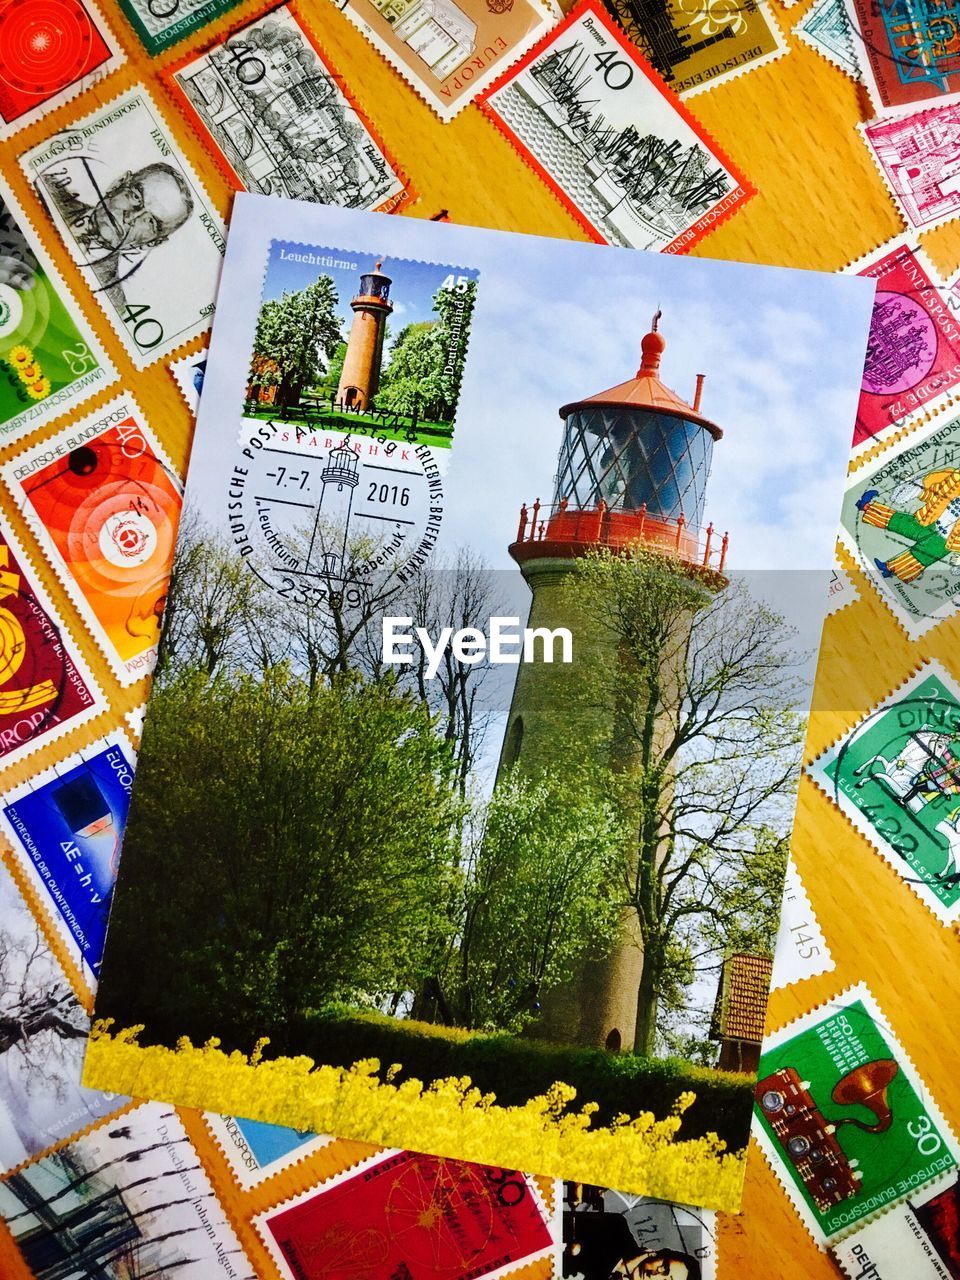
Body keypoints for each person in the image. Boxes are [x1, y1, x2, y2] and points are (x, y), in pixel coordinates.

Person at [39, 162, 193, 305]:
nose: (131, 217)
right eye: (135, 197)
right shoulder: (44, 188)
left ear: (152, 243)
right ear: (118, 184)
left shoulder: (112, 302)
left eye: (150, 221)